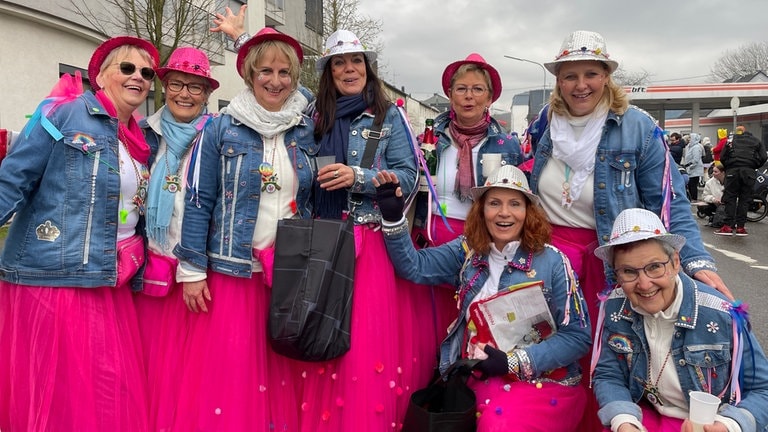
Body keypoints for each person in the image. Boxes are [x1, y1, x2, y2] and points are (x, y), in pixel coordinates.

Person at [527, 29, 731, 430]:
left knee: (608, 352)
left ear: (606, 76)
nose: (580, 85)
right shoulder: (545, 124)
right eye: (570, 75)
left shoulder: (637, 127)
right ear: (558, 81)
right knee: (549, 350)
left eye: (591, 73)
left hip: (606, 259)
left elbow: (669, 202)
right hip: (548, 258)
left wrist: (695, 260)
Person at [0, 36, 158, 431]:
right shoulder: (64, 115)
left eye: (146, 72)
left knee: (106, 395)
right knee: (61, 400)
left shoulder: (139, 140)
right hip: (56, 280)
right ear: (101, 75)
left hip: (107, 280)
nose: (137, 76)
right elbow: (14, 178)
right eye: (127, 68)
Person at [171, 28, 315, 431]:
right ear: (250, 75)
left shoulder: (306, 128)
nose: (275, 81)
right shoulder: (221, 128)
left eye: (285, 72)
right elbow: (199, 200)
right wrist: (193, 270)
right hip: (233, 272)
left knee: (278, 372)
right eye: (265, 70)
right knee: (232, 375)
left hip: (286, 272)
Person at [374, 165, 591, 431]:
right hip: (477, 375)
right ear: (481, 210)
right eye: (494, 203)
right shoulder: (468, 250)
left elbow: (577, 337)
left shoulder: (554, 261)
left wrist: (514, 361)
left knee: (498, 424)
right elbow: (414, 266)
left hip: (543, 382)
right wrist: (394, 219)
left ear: (528, 212)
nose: (504, 212)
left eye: (515, 203)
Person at [591, 208, 768, 432]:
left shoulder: (721, 313)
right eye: (629, 271)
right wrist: (624, 420)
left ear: (676, 262)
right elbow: (609, 375)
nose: (644, 284)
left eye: (655, 267)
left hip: (712, 423)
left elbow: (762, 389)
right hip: (646, 417)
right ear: (617, 274)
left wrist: (728, 425)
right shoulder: (615, 306)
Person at [133, 46, 218, 431]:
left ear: (206, 93)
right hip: (151, 264)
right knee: (152, 368)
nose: (185, 94)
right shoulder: (141, 133)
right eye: (178, 84)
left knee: (196, 373)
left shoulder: (218, 133)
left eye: (196, 87)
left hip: (198, 268)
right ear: (164, 86)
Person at [715, 125, 767, 237]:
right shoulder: (756, 141)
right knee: (745, 199)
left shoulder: (731, 140)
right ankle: (741, 227)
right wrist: (754, 165)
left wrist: (729, 166)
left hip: (733, 172)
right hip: (749, 172)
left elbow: (723, 156)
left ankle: (728, 226)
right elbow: (763, 157)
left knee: (730, 198)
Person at [699, 161, 725, 226]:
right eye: (713, 171)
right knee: (701, 206)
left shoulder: (730, 182)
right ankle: (713, 216)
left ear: (723, 173)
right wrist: (713, 199)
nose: (713, 173)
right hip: (715, 204)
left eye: (716, 172)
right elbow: (705, 196)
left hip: (728, 205)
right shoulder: (709, 182)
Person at [684, 132, 704, 201]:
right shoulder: (689, 146)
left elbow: (696, 159)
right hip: (689, 168)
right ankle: (691, 198)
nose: (689, 139)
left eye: (690, 137)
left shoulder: (696, 147)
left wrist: (690, 165)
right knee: (689, 185)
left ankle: (694, 198)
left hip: (695, 169)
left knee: (693, 185)